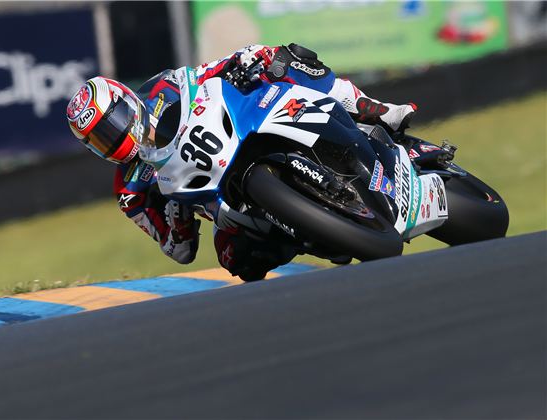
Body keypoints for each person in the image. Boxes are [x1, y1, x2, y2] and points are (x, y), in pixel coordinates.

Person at [65, 44, 417, 281]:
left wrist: (248, 59)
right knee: (235, 260)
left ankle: (377, 109)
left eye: (112, 123)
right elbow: (178, 250)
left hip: (240, 128)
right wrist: (177, 217)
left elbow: (204, 73)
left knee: (286, 58)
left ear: (127, 99)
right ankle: (314, 228)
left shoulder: (160, 90)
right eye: (100, 140)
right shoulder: (129, 192)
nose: (113, 139)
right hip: (224, 202)